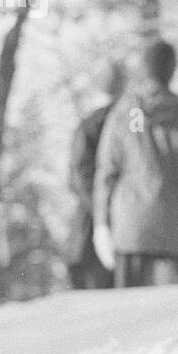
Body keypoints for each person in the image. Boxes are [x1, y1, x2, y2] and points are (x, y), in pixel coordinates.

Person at [93, 40, 178, 287]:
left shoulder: (122, 114)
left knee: (130, 314)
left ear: (143, 69)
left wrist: (101, 224)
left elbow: (106, 172)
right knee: (177, 313)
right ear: (172, 70)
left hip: (130, 222)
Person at [65, 61, 126, 289]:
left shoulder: (90, 124)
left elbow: (77, 177)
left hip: (91, 229)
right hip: (114, 225)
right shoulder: (129, 123)